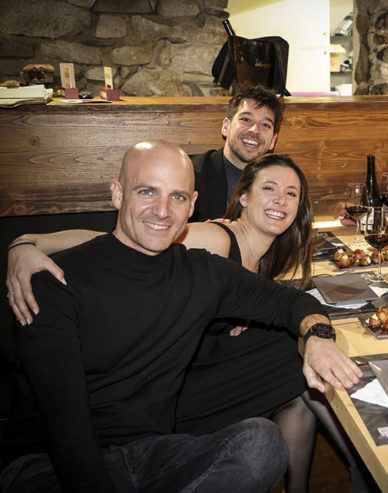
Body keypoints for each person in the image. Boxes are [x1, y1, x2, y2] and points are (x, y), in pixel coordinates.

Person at [0, 141, 362, 492]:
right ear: (118, 194)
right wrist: (25, 242)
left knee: (262, 442)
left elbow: (290, 303)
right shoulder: (52, 282)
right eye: (147, 192)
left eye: (177, 197)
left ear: (192, 205)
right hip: (49, 466)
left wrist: (318, 338)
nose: (162, 211)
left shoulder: (203, 273)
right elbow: (64, 424)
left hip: (151, 452)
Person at [192, 85, 282, 221]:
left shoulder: (281, 187)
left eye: (265, 125)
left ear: (273, 141)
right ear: (226, 127)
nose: (255, 130)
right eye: (246, 120)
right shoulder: (191, 174)